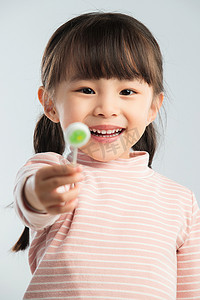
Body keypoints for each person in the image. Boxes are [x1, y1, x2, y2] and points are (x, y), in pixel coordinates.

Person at [13, 12, 200, 299]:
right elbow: (33, 202)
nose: (106, 108)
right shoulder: (52, 172)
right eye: (86, 89)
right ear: (50, 104)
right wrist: (41, 195)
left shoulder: (180, 201)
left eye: (127, 91)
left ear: (152, 107)